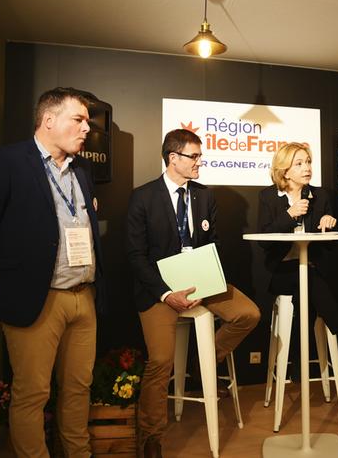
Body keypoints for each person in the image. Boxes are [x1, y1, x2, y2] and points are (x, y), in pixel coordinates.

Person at [0, 87, 105, 458]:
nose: (87, 128)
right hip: (36, 300)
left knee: (78, 388)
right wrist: (15, 274)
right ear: (49, 120)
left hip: (83, 297)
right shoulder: (6, 161)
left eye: (87, 121)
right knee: (32, 394)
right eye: (79, 119)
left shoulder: (83, 170)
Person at [127, 128, 260, 458]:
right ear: (173, 158)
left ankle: (204, 365)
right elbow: (135, 256)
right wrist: (166, 294)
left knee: (249, 314)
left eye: (200, 155)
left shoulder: (204, 196)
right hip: (159, 289)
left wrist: (207, 281)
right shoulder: (142, 197)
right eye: (194, 156)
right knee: (160, 361)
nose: (201, 161)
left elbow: (212, 243)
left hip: (202, 281)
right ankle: (151, 437)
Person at [257, 142, 338, 366]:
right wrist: (289, 215)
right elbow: (264, 241)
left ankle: (297, 363)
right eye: (299, 163)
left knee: (310, 285)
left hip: (315, 269)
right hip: (282, 271)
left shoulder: (320, 196)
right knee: (310, 283)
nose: (307, 168)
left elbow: (328, 245)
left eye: (308, 162)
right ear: (285, 170)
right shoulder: (268, 197)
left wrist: (327, 222)